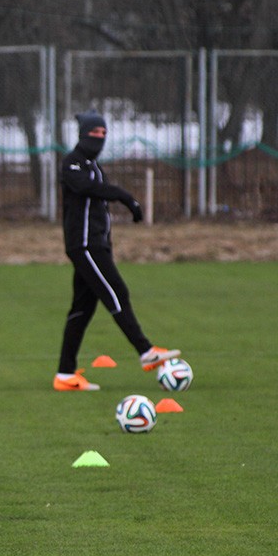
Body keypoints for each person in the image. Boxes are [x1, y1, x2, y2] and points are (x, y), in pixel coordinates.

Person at [53, 110, 180, 391]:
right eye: (94, 133)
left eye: (103, 134)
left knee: (81, 310)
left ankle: (64, 375)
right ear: (82, 135)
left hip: (98, 245)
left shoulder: (96, 167)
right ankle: (146, 351)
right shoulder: (72, 164)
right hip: (83, 245)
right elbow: (89, 189)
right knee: (117, 292)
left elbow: (99, 196)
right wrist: (125, 197)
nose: (98, 138)